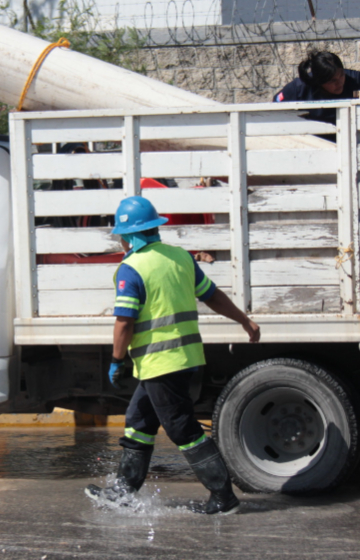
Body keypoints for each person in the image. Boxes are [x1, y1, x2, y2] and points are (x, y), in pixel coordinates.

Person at [85, 196, 261, 516]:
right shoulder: (180, 257)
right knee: (139, 421)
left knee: (182, 429)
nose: (121, 241)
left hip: (160, 363)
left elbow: (125, 321)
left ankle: (223, 497)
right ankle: (124, 491)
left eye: (122, 235)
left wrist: (115, 359)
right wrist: (243, 319)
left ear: (131, 235)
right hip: (184, 359)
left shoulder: (132, 268)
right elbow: (213, 295)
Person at [273, 49, 360, 128]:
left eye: (341, 75)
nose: (340, 82)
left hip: (346, 142)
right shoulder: (299, 87)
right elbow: (276, 105)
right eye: (333, 81)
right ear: (319, 82)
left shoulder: (356, 79)